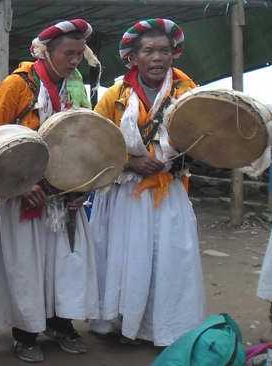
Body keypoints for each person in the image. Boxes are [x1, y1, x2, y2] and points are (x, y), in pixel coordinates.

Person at [0, 19, 101, 363]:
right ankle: (25, 332)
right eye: (68, 52)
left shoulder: (77, 87)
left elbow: (85, 140)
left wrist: (84, 185)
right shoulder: (16, 86)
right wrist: (23, 183)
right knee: (27, 266)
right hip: (25, 195)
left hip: (65, 195)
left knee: (64, 264)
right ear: (45, 51)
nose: (75, 60)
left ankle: (61, 323)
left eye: (80, 53)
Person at [89, 18, 206, 346]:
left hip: (169, 192)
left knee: (168, 257)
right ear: (133, 57)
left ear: (173, 55)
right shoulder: (114, 96)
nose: (158, 57)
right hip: (124, 194)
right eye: (149, 51)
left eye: (164, 51)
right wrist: (131, 161)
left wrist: (173, 160)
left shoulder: (188, 93)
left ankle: (162, 327)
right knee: (126, 259)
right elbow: (95, 144)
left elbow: (202, 141)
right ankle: (124, 323)